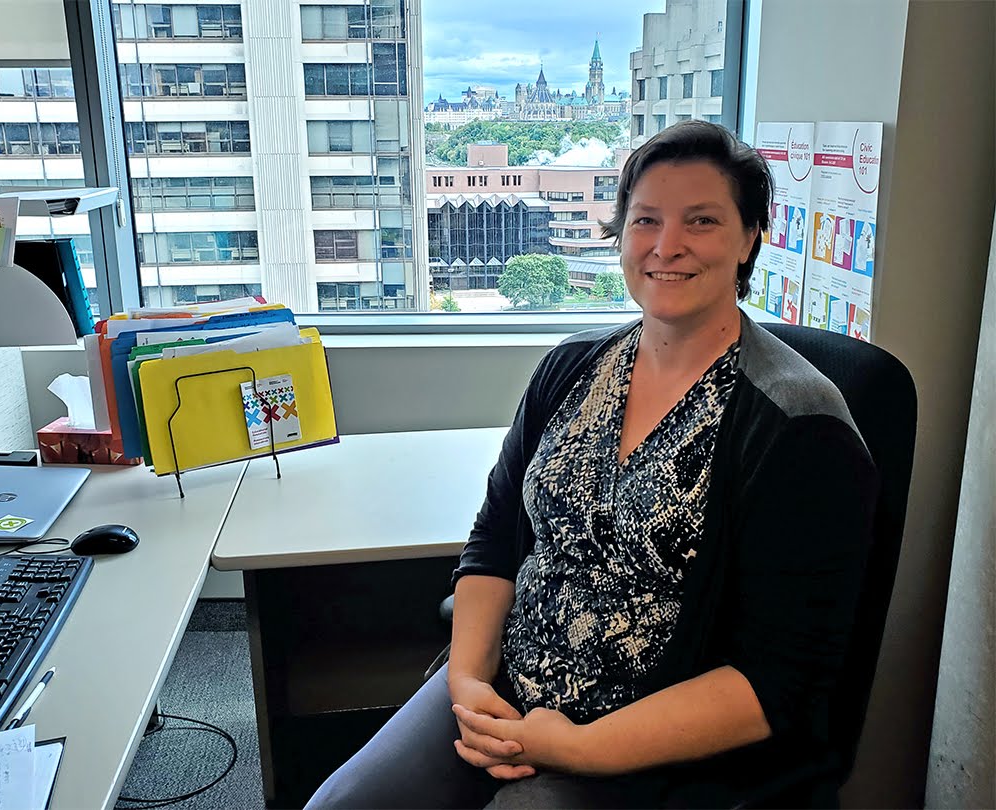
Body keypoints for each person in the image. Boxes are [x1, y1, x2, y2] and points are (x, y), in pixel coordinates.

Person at [306, 121, 878, 809]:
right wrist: (467, 685)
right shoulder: (571, 369)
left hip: (648, 739)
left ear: (750, 235)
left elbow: (777, 681)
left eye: (701, 220)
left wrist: (573, 749)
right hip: (506, 689)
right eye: (646, 220)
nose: (667, 246)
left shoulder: (797, 426)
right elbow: (494, 544)